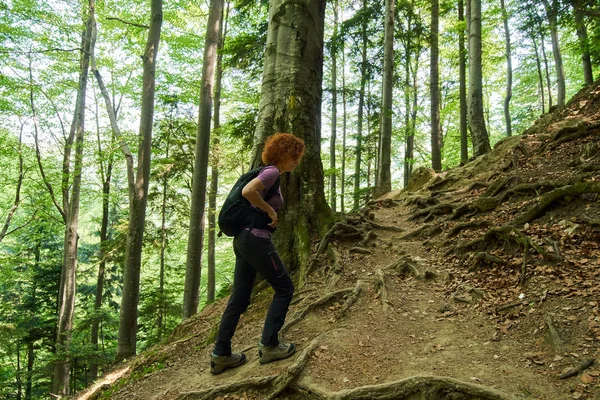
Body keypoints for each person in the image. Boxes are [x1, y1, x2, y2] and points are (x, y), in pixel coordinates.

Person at [210, 133, 306, 375]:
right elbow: (249, 192)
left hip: (244, 240)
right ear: (283, 154)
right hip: (256, 240)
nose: (297, 161)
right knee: (285, 288)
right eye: (294, 156)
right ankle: (270, 345)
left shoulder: (272, 174)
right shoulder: (271, 172)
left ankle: (221, 354)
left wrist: (266, 214)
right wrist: (271, 214)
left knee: (239, 297)